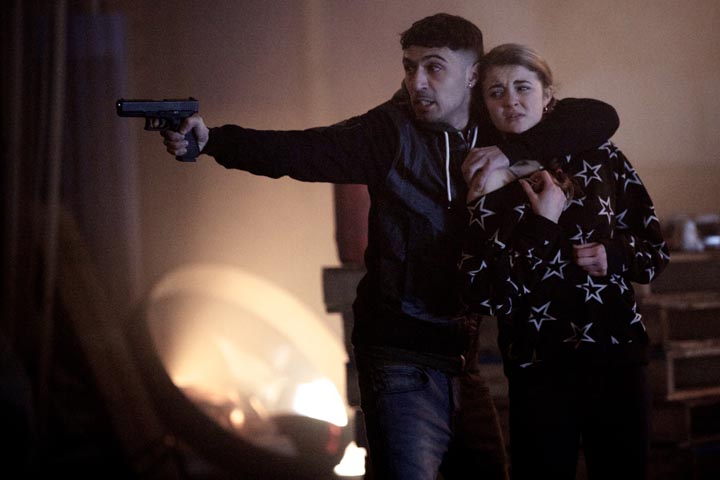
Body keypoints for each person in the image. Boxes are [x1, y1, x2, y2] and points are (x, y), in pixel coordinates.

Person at [159, 14, 620, 479]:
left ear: (472, 75)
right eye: (409, 66)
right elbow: (301, 151)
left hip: (463, 361)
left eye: (433, 67)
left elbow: (600, 116)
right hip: (400, 358)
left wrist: (507, 154)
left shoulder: (494, 120)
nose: (417, 82)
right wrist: (214, 140)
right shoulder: (387, 132)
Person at [459, 43, 670, 479]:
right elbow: (485, 293)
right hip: (537, 367)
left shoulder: (601, 154)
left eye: (522, 87)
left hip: (616, 355)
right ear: (484, 105)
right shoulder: (482, 178)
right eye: (496, 92)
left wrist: (615, 254)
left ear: (548, 95)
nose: (510, 100)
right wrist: (543, 225)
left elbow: (654, 252)